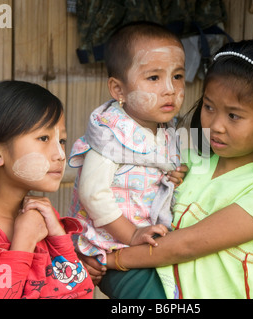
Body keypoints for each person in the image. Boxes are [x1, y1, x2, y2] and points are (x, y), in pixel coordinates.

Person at [104, 39, 253, 299]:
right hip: (142, 278)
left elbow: (188, 244)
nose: (216, 125)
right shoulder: (190, 150)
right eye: (209, 107)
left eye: (234, 115)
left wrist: (110, 261)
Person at [0, 81, 94, 299]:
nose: (60, 154)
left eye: (62, 140)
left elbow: (82, 293)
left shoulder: (43, 217)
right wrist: (25, 240)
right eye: (44, 138)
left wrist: (59, 236)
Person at [67, 21, 187, 297]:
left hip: (149, 246)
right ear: (118, 90)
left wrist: (174, 175)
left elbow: (158, 171)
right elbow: (92, 193)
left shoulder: (166, 130)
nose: (170, 89)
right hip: (112, 247)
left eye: (178, 76)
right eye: (154, 78)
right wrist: (131, 234)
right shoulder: (111, 135)